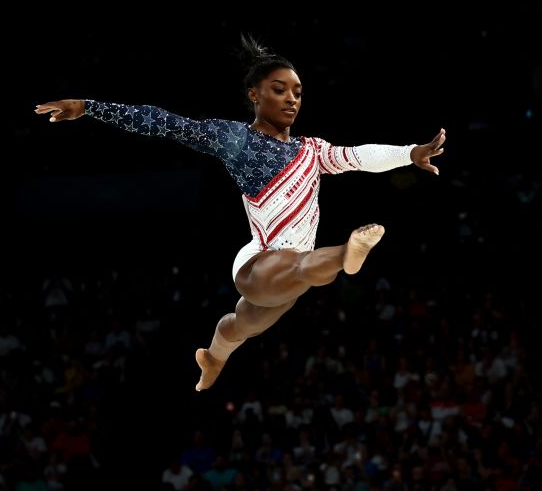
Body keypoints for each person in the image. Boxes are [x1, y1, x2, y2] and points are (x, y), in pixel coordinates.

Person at [37, 36, 446, 391]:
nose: (291, 99)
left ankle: (213, 359)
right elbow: (165, 123)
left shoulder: (312, 150)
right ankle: (347, 254)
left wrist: (409, 153)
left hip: (290, 273)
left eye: (297, 92)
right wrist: (89, 106)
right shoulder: (236, 139)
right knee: (302, 267)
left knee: (240, 325)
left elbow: (359, 156)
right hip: (260, 263)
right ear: (254, 94)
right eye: (279, 90)